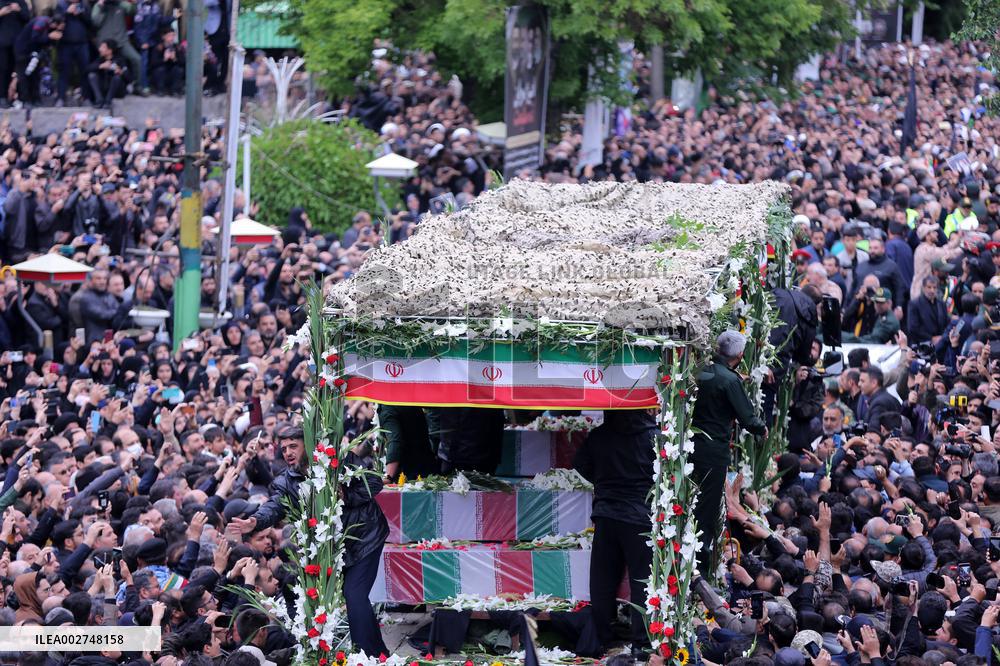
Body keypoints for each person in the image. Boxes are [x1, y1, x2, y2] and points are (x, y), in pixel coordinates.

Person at [232, 423, 389, 656]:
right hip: (334, 549)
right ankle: (379, 653)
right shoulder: (286, 481)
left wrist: (346, 495)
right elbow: (274, 506)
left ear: (307, 444)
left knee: (354, 596)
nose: (288, 453)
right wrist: (255, 521)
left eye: (293, 446)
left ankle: (367, 656)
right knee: (355, 599)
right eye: (283, 449)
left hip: (365, 538)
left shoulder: (336, 458)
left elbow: (374, 483)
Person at [574, 410, 656, 658]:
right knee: (642, 581)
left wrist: (602, 480)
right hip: (640, 516)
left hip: (607, 513)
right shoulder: (654, 437)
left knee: (603, 579)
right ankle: (641, 641)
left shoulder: (599, 435)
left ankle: (601, 636)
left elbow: (580, 464)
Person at [690, 330, 766, 570]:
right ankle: (699, 566)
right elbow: (749, 419)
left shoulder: (698, 371)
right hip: (713, 452)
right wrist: (762, 429)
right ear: (740, 355)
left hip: (689, 447)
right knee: (706, 509)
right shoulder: (730, 380)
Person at [87, 40, 128, 108]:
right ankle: (99, 100)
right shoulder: (100, 59)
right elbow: (87, 69)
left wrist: (120, 72)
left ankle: (108, 102)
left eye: (103, 47)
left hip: (116, 91)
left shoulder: (120, 60)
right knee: (92, 75)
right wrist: (100, 66)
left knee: (117, 78)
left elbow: (129, 78)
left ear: (110, 51)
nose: (100, 49)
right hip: (103, 89)